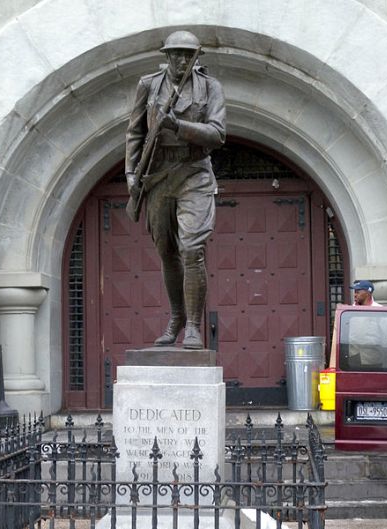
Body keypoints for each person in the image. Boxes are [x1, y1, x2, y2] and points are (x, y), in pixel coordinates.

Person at [125, 31, 226, 349]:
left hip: (193, 172)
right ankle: (176, 318)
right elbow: (134, 131)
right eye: (175, 54)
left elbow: (217, 133)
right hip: (157, 175)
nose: (181, 60)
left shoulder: (210, 87)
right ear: (166, 55)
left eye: (187, 54)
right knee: (167, 253)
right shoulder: (148, 84)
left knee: (192, 250)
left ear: (195, 57)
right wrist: (131, 173)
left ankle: (194, 326)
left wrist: (178, 126)